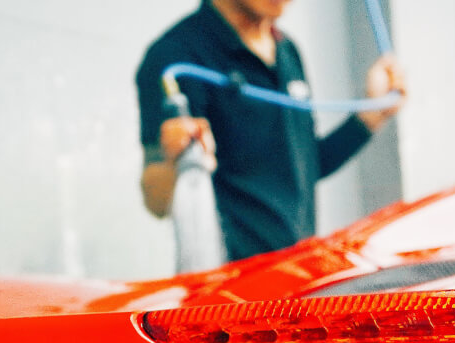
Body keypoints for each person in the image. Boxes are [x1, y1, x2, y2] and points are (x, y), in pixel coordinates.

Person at [136, 0, 405, 263]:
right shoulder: (174, 54)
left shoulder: (287, 51)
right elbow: (155, 201)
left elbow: (307, 165)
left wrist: (372, 116)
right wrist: (178, 164)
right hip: (232, 283)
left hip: (299, 272)